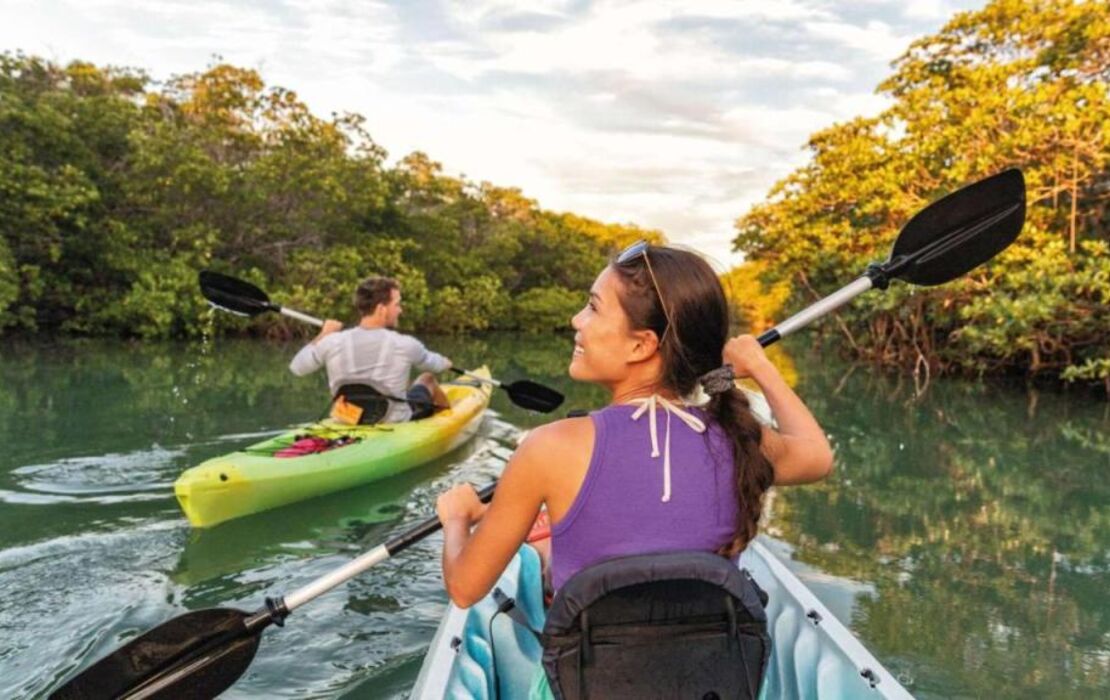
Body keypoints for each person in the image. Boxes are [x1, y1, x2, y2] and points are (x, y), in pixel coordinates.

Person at [435, 241, 834, 610]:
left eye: (592, 307)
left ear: (641, 345)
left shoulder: (548, 447)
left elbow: (466, 589)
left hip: (595, 681)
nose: (577, 320)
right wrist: (761, 368)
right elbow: (816, 457)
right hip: (715, 681)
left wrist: (456, 518)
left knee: (543, 550)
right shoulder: (739, 437)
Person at [289, 276, 452, 423]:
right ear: (382, 309)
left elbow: (297, 368)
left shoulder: (332, 341)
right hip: (392, 421)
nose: (400, 310)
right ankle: (450, 421)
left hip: (347, 419)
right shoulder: (405, 344)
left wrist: (323, 334)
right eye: (397, 304)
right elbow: (435, 365)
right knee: (427, 379)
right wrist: (446, 363)